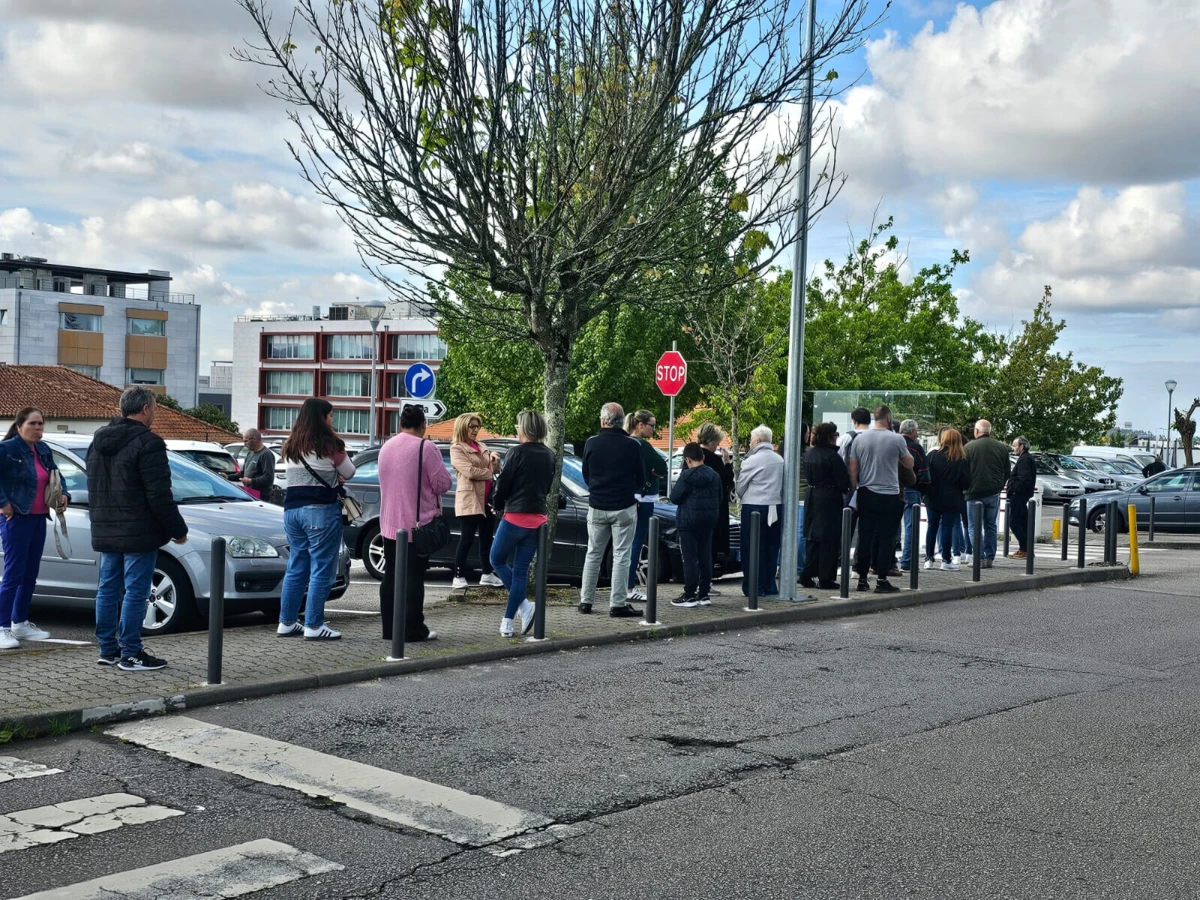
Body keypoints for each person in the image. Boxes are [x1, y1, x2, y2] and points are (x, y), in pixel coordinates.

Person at [87, 387, 187, 670]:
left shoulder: (97, 442)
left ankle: (108, 649)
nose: (154, 413)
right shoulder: (149, 442)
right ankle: (131, 652)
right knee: (136, 591)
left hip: (106, 528)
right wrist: (177, 529)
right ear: (144, 409)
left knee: (107, 589)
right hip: (138, 530)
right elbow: (159, 494)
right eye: (154, 407)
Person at [279, 398, 355, 641]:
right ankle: (314, 624)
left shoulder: (290, 445)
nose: (332, 420)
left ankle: (287, 622)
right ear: (321, 418)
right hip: (320, 510)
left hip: (292, 511)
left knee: (297, 566)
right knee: (322, 567)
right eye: (330, 416)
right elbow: (349, 472)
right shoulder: (329, 444)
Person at [379, 404, 452, 642]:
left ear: (400, 424)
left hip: (389, 524)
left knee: (390, 576)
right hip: (416, 526)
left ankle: (390, 629)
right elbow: (442, 484)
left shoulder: (386, 447)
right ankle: (413, 629)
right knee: (413, 578)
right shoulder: (426, 447)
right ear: (423, 425)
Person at [0, 407, 69, 650]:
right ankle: (2, 627)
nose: (38, 428)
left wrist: (65, 494)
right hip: (17, 518)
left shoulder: (43, 449)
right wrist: (4, 504)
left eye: (41, 423)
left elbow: (57, 476)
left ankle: (20, 622)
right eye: (33, 423)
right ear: (19, 426)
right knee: (13, 574)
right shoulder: (7, 449)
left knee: (30, 574)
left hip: (39, 518)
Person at [489, 410, 556, 637]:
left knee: (496, 559)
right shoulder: (550, 454)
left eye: (518, 426)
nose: (516, 429)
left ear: (525, 428)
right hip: (538, 518)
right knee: (520, 572)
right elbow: (547, 487)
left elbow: (504, 485)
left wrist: (496, 504)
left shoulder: (516, 453)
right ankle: (509, 621)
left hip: (514, 517)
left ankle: (524, 606)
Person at [579, 403, 646, 617]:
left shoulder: (591, 444)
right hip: (624, 506)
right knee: (621, 555)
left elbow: (586, 474)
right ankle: (617, 604)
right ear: (622, 421)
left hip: (597, 505)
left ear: (602, 421)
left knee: (593, 553)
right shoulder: (633, 445)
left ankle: (586, 601)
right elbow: (641, 479)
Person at [847, 405, 914, 594]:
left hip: (866, 492)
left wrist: (855, 488)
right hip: (890, 494)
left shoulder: (859, 439)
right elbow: (909, 463)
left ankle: (861, 579)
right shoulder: (897, 439)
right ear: (889, 419)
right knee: (886, 538)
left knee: (865, 537)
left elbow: (853, 468)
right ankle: (882, 580)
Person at [449, 413, 503, 589]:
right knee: (467, 538)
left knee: (487, 538)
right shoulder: (457, 448)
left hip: (487, 498)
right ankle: (458, 575)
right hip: (470, 498)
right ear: (463, 427)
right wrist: (489, 472)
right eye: (472, 426)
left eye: (477, 426)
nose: (475, 430)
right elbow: (470, 471)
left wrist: (496, 461)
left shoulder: (482, 445)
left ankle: (487, 573)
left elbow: (495, 468)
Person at [668, 442, 722, 607]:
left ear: (687, 460)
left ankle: (689, 594)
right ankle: (704, 594)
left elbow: (675, 497)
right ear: (703, 457)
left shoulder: (686, 476)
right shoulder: (714, 475)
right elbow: (720, 497)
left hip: (688, 521)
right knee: (705, 556)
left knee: (690, 557)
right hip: (708, 521)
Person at [735, 425, 784, 597]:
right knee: (771, 547)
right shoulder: (780, 460)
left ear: (756, 441)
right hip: (775, 507)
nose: (749, 443)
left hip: (753, 507)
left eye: (750, 440)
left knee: (751, 548)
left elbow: (740, 486)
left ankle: (752, 587)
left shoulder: (751, 460)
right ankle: (770, 585)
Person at [624, 409, 667, 605]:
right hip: (644, 498)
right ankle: (629, 587)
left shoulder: (625, 443)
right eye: (652, 425)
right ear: (640, 425)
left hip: (627, 497)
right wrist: (653, 471)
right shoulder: (642, 445)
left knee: (623, 543)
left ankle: (622, 586)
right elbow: (662, 467)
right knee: (636, 542)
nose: (654, 429)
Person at [800, 422, 849, 590]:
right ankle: (825, 577)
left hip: (811, 495)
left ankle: (807, 574)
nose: (836, 438)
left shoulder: (809, 454)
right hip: (828, 498)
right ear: (830, 437)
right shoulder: (832, 456)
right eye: (835, 435)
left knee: (812, 537)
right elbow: (843, 482)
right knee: (829, 538)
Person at [964, 419, 1010, 569]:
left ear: (977, 431)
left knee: (974, 526)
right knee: (991, 525)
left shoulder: (969, 447)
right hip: (993, 493)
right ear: (989, 431)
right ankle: (989, 558)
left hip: (973, 493)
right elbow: (1007, 471)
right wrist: (999, 485)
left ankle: (979, 558)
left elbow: (963, 471)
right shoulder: (1001, 447)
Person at [925, 428, 971, 571]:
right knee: (947, 528)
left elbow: (926, 475)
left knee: (932, 526)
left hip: (932, 497)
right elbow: (966, 483)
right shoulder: (961, 460)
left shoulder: (932, 455)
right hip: (952, 498)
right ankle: (946, 559)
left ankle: (929, 558)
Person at [697, 422, 734, 590]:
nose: (718, 445)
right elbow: (725, 481)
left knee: (699, 547)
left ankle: (699, 583)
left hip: (696, 508)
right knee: (709, 547)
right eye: (717, 442)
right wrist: (727, 463)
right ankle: (705, 583)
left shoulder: (692, 455)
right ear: (712, 441)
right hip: (713, 508)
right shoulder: (713, 460)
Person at [898, 419, 931, 571]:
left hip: (894, 489)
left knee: (892, 527)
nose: (917, 433)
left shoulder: (895, 444)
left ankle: (889, 561)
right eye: (916, 431)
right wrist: (923, 491)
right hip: (912, 490)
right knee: (911, 527)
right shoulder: (916, 448)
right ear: (912, 432)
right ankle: (907, 560)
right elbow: (924, 474)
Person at [1006, 436, 1037, 559]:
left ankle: (1025, 549)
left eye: (1015, 445)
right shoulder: (1026, 458)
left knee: (1014, 523)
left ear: (1021, 446)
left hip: (1019, 496)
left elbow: (1024, 478)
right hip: (1022, 495)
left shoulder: (1025, 459)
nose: (1013, 448)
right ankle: (1025, 548)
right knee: (1023, 523)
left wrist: (1013, 490)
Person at [237, 428, 276, 501]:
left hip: (261, 497)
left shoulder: (266, 455)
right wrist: (227, 477)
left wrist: (251, 481)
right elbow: (243, 474)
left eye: (246, 441)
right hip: (249, 494)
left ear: (254, 439)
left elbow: (268, 478)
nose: (244, 444)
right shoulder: (250, 453)